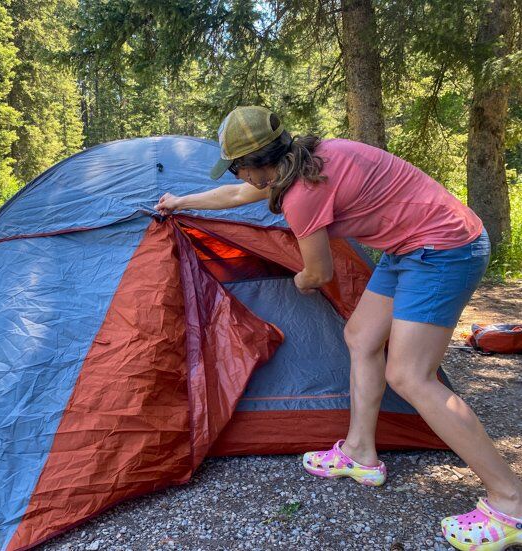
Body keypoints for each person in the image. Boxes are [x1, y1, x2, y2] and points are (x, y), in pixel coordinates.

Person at [155, 106, 522, 551]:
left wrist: (297, 282)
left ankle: (510, 502)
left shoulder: (301, 193)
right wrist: (179, 203)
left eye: (236, 167)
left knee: (409, 375)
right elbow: (234, 198)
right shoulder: (309, 157)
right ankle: (360, 452)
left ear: (257, 165)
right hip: (407, 248)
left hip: (444, 248)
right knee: (361, 336)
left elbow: (319, 273)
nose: (238, 176)